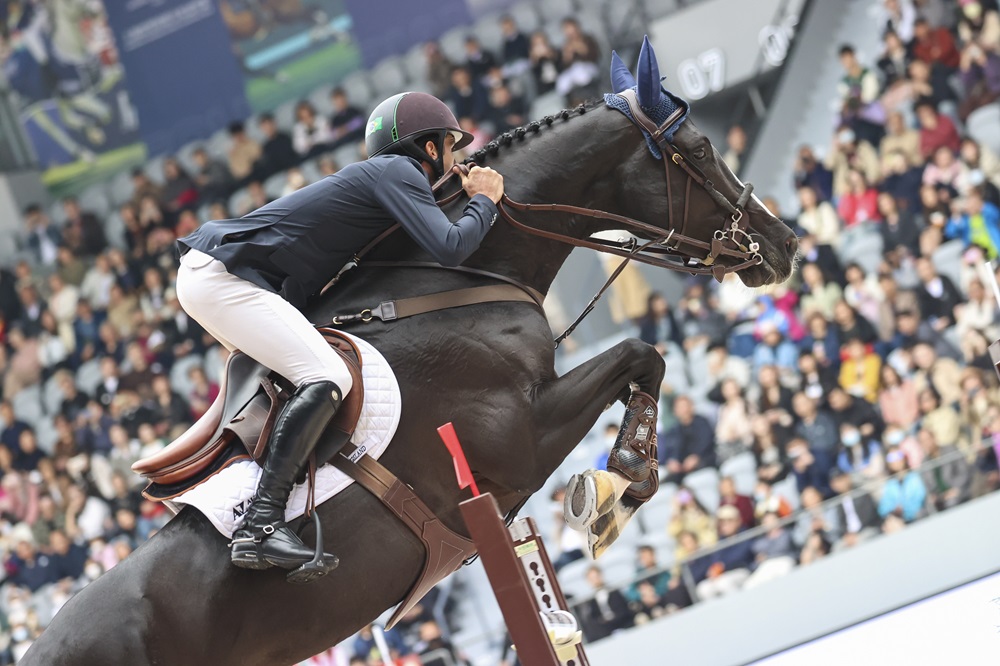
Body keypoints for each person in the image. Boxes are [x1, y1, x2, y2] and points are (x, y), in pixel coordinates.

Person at [174, 92, 504, 578]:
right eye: (450, 148)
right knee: (328, 375)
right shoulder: (400, 172)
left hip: (217, 276)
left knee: (316, 372)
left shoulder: (381, 184)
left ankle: (257, 511)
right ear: (429, 149)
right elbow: (451, 247)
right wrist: (484, 200)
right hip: (224, 275)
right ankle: (261, 522)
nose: (454, 161)